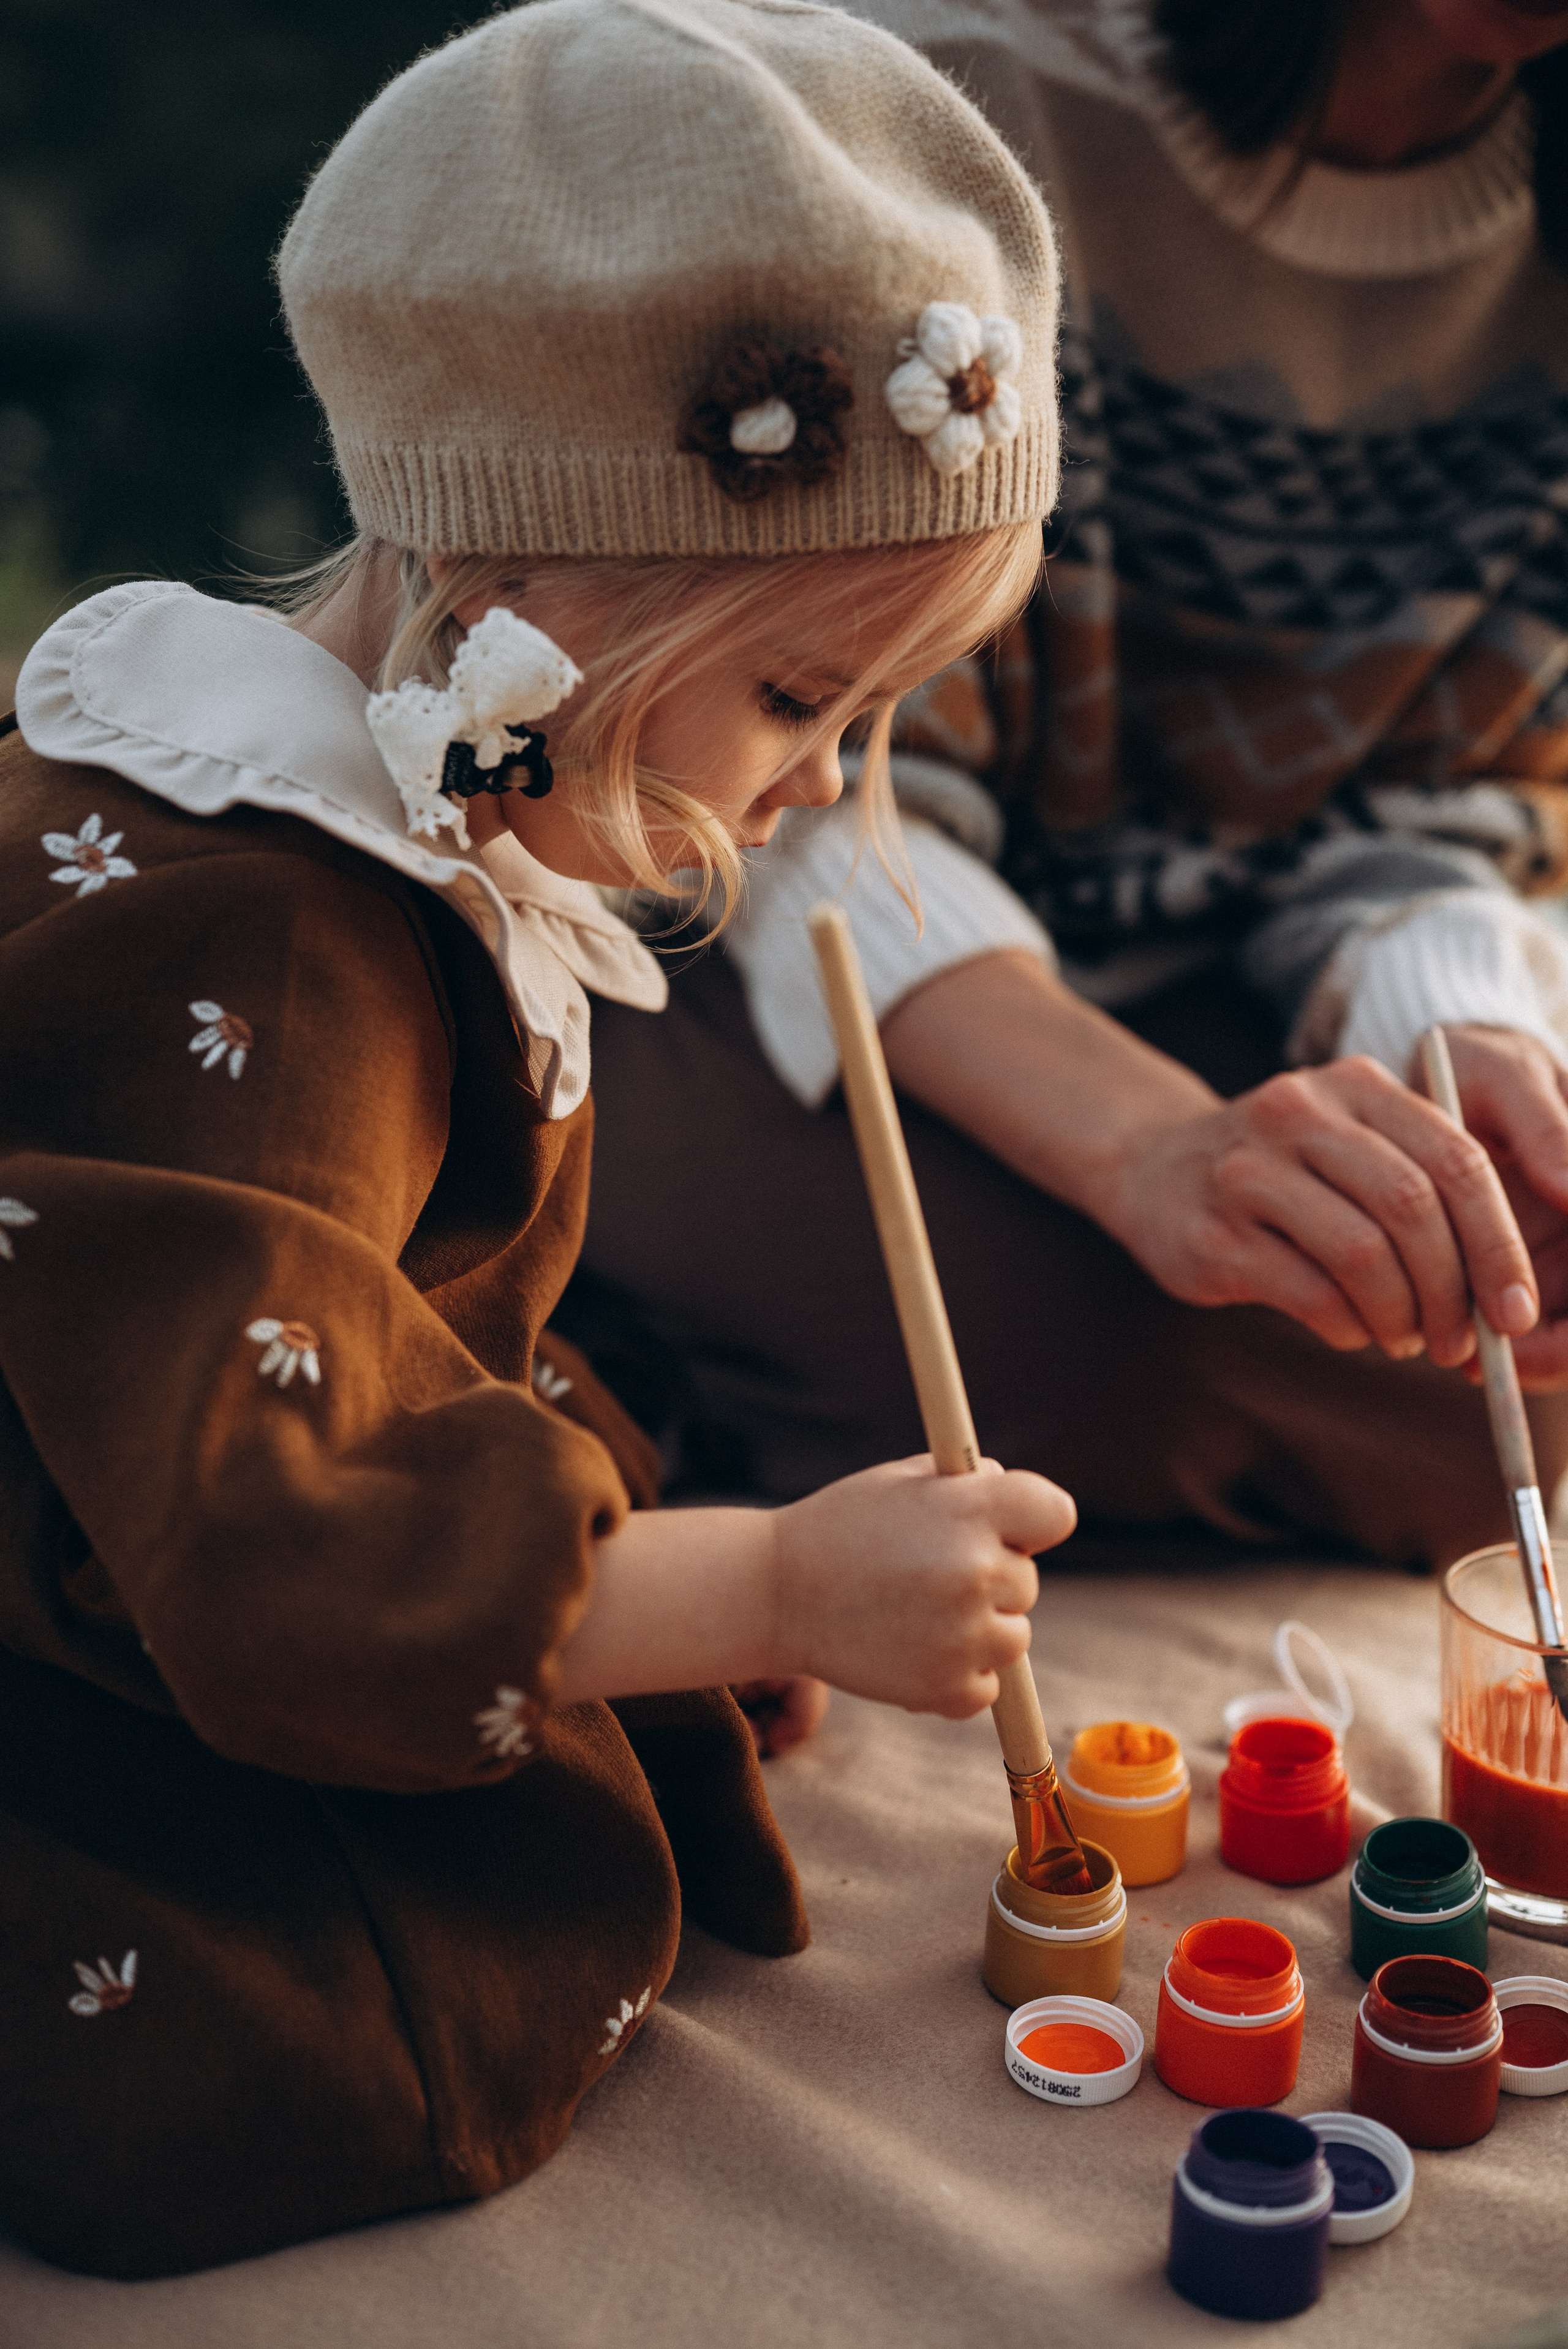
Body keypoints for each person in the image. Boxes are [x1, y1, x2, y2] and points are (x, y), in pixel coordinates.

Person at [0, 0, 1076, 2277]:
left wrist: (660, 1599)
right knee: (345, 2015)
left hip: (222, 1471)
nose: (815, 791)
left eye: (873, 716)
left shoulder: (409, 811)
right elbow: (246, 1525)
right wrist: (767, 1581)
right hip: (128, 1632)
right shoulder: (277, 963)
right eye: (800, 697)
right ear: (522, 612)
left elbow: (375, 1325)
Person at [575, 0, 1568, 1586]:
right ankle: (600, 1390)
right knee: (1124, 1357)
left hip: (1219, 999)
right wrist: (1156, 1153)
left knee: (1500, 1372)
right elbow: (800, 781)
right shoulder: (943, 93)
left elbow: (1469, 793)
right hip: (793, 957)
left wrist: (1454, 1048)